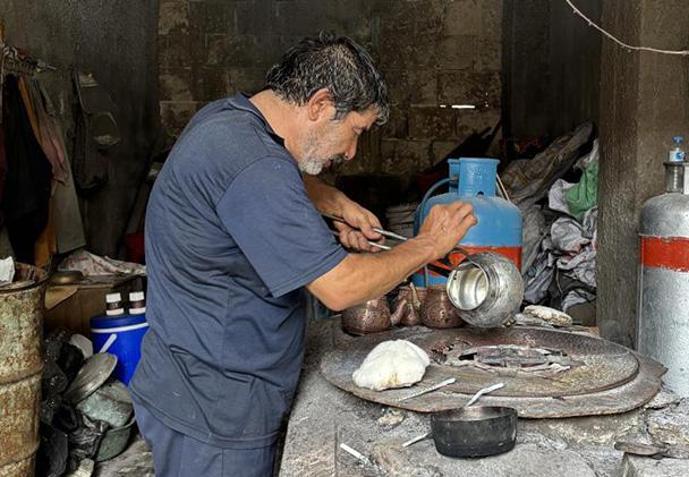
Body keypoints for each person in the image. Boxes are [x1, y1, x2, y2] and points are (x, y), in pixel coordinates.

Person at [129, 33, 476, 476]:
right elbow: (340, 288)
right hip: (217, 412)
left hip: (196, 385)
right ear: (320, 104)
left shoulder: (229, 121)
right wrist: (428, 244)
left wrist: (334, 202)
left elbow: (269, 174)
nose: (351, 151)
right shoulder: (256, 167)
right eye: (356, 132)